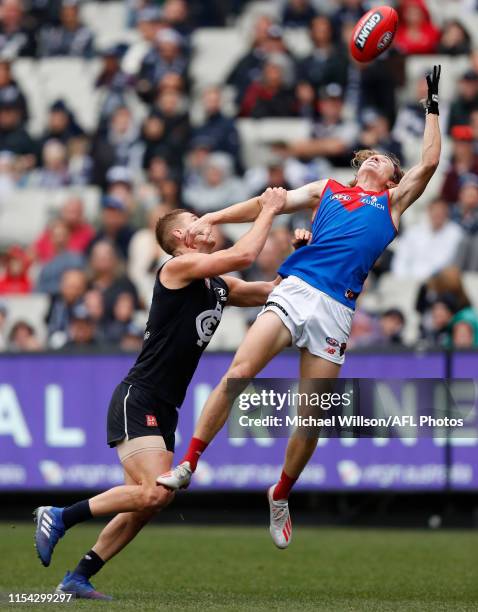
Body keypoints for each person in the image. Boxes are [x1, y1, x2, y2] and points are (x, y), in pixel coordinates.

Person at [158, 66, 442, 549]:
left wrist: (431, 107)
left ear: (390, 175)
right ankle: (187, 463)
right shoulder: (327, 189)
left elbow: (431, 163)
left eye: (383, 158)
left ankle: (280, 492)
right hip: (295, 288)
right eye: (370, 154)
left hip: (337, 310)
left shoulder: (391, 204)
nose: (375, 158)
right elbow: (268, 201)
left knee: (310, 419)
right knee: (238, 373)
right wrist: (215, 215)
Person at [33, 187, 288, 599]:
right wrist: (270, 209)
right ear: (184, 239)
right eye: (196, 221)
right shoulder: (176, 268)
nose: (206, 222)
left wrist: (302, 254)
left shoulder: (215, 282)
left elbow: (270, 290)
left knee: (152, 500)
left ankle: (77, 577)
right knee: (153, 492)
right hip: (141, 397)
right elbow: (243, 256)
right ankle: (60, 515)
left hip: (164, 406)